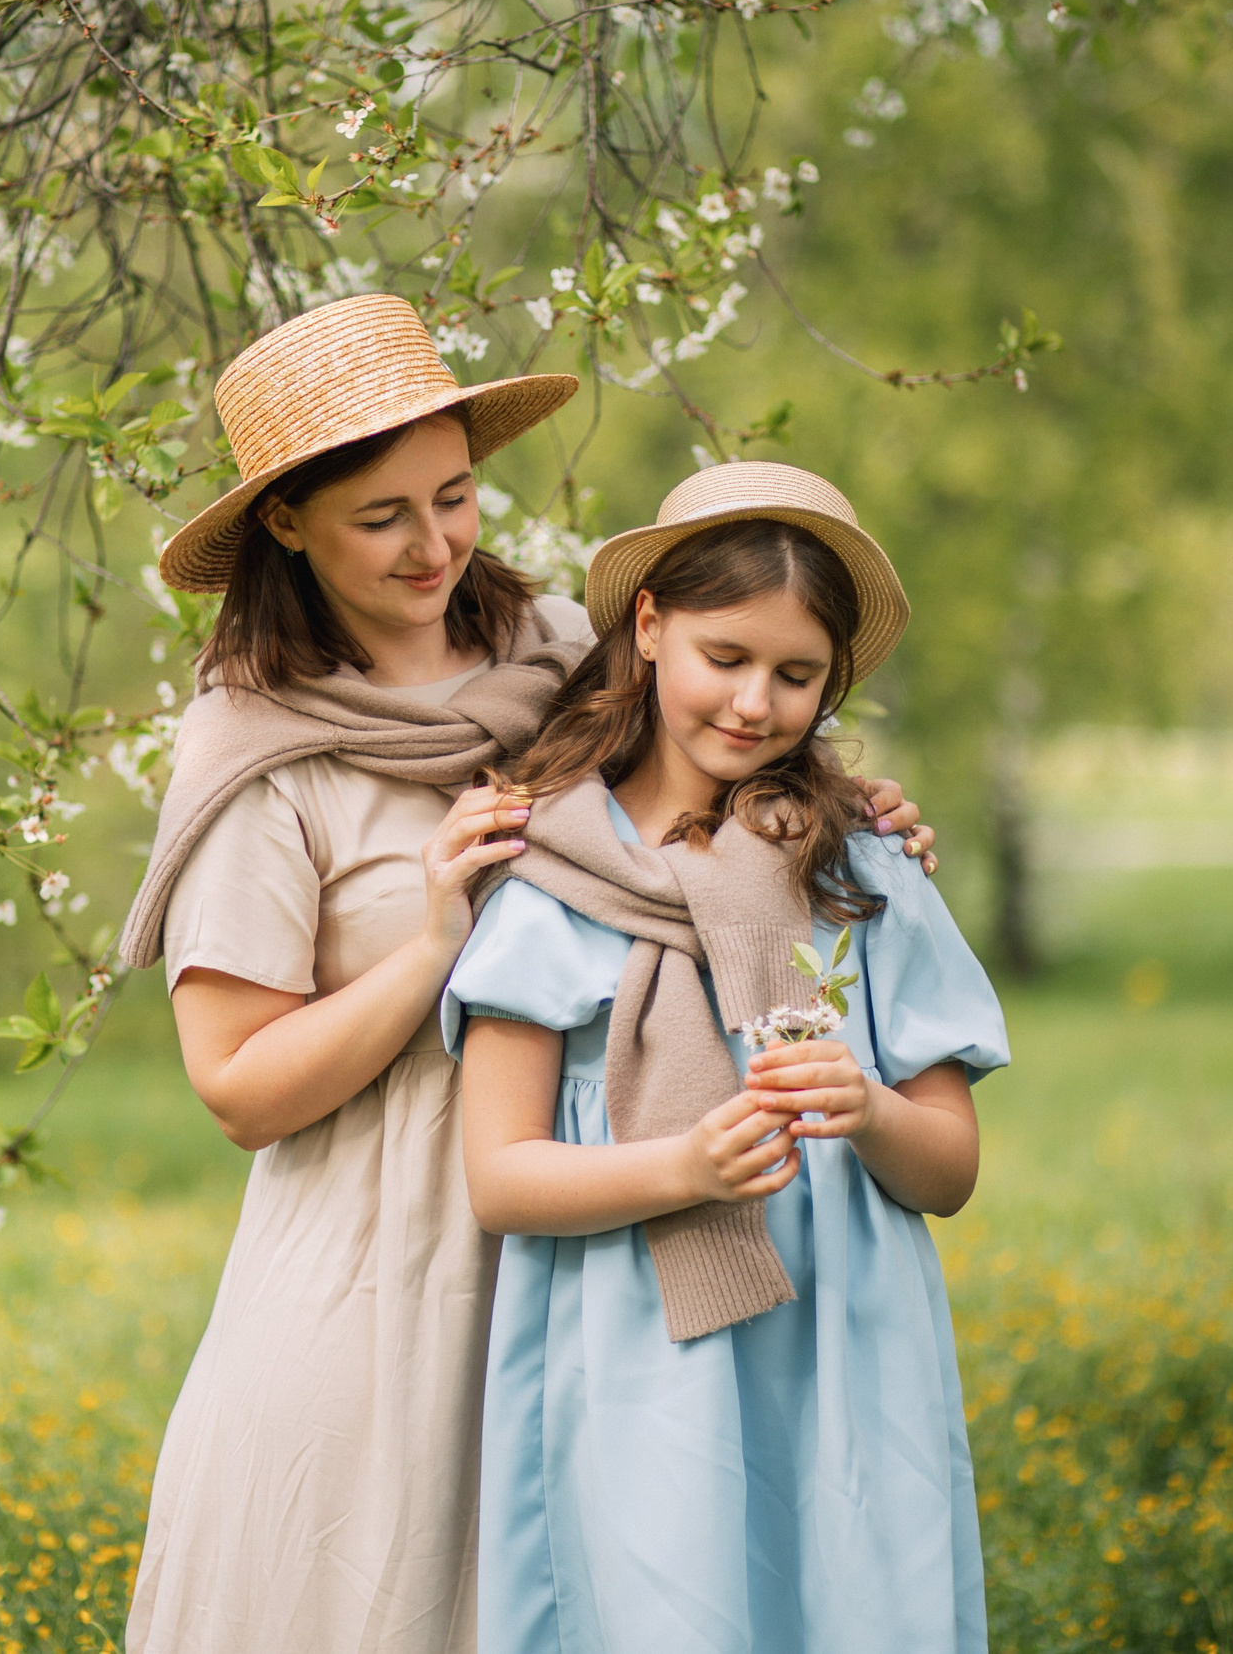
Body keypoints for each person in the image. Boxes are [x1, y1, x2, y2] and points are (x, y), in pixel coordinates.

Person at [117, 299, 938, 1654]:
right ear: (286, 521)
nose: (436, 543)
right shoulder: (258, 758)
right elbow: (238, 1090)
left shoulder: (556, 654)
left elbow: (707, 775)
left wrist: (840, 807)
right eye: (383, 515)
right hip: (382, 1273)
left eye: (454, 494)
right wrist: (435, 942)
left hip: (595, 1249)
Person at [451, 460, 1009, 1654]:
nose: (756, 703)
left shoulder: (860, 877)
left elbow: (950, 1170)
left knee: (849, 1599)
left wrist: (865, 1107)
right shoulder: (552, 884)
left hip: (848, 1345)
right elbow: (499, 1177)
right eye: (726, 657)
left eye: (797, 674)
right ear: (649, 626)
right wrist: (685, 1169)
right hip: (636, 1349)